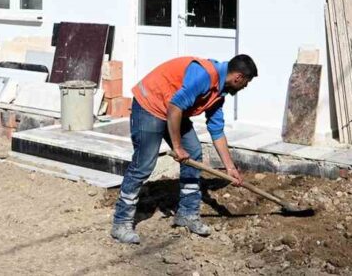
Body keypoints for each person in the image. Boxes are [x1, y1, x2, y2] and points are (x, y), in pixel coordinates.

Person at [110, 54, 258, 244]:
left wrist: (230, 168)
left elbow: (217, 130)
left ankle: (187, 214)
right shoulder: (205, 76)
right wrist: (177, 147)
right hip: (150, 104)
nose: (245, 87)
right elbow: (175, 107)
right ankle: (121, 223)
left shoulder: (219, 91)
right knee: (143, 165)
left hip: (171, 109)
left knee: (194, 152)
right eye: (246, 82)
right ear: (238, 77)